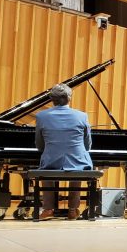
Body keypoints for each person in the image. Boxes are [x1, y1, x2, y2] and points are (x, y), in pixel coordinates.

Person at [35, 83, 93, 220]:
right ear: (69, 98)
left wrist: (49, 151)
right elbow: (87, 144)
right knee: (78, 164)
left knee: (46, 166)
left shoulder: (41, 116)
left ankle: (48, 209)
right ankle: (73, 210)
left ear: (52, 99)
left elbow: (39, 144)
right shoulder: (82, 116)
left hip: (51, 161)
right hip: (77, 161)